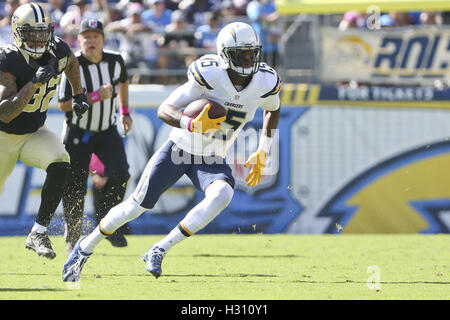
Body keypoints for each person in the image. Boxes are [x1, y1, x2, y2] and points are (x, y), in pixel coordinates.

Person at [63, 21, 281, 282]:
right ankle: (84, 247)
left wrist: (263, 148)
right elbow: (164, 109)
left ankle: (159, 249)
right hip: (180, 148)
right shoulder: (210, 75)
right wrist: (191, 123)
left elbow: (273, 107)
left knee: (222, 194)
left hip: (211, 157)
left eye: (250, 52)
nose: (247, 59)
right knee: (135, 206)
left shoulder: (265, 80)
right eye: (240, 53)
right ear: (224, 54)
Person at [0, 2, 89, 259]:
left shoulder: (58, 48)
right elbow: (5, 112)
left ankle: (38, 232)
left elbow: (71, 63)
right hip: (3, 137)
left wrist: (79, 93)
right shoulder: (9, 59)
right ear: (18, 32)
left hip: (33, 133)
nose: (39, 39)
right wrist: (33, 83)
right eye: (32, 33)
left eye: (43, 33)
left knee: (61, 161)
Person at [58, 18, 132, 254]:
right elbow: (63, 105)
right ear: (79, 40)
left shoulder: (115, 60)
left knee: (120, 172)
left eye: (95, 36)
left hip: (106, 130)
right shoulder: (72, 65)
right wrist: (96, 97)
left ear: (103, 40)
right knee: (74, 186)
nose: (91, 40)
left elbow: (123, 82)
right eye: (86, 36)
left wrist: (125, 112)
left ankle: (108, 224)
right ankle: (72, 235)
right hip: (78, 131)